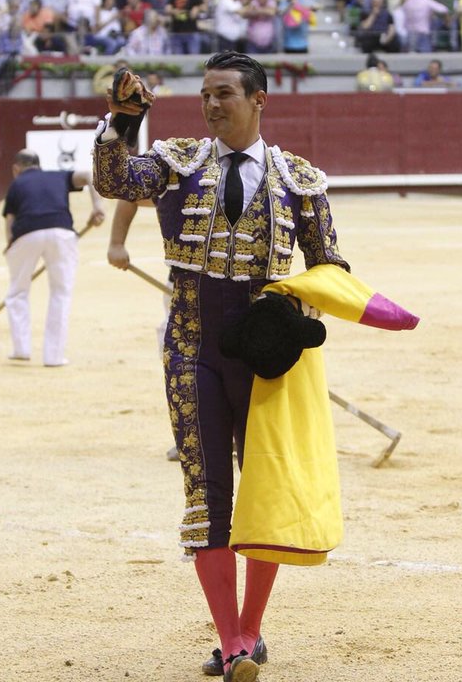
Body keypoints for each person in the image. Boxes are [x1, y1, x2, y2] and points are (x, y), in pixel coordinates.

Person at [93, 52, 350, 682]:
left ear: (258, 99)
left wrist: (298, 313)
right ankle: (232, 639)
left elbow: (330, 264)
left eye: (225, 94)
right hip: (191, 346)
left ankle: (251, 632)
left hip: (266, 356)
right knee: (206, 488)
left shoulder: (300, 179)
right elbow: (115, 181)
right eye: (206, 94)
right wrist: (123, 122)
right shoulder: (177, 161)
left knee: (263, 490)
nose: (212, 105)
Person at [2, 150, 105, 367]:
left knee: (17, 292)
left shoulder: (17, 184)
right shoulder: (58, 175)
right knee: (61, 293)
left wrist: (10, 245)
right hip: (62, 233)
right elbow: (89, 175)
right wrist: (98, 206)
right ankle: (54, 356)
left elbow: (10, 221)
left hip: (26, 233)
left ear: (16, 169)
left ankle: (21, 349)